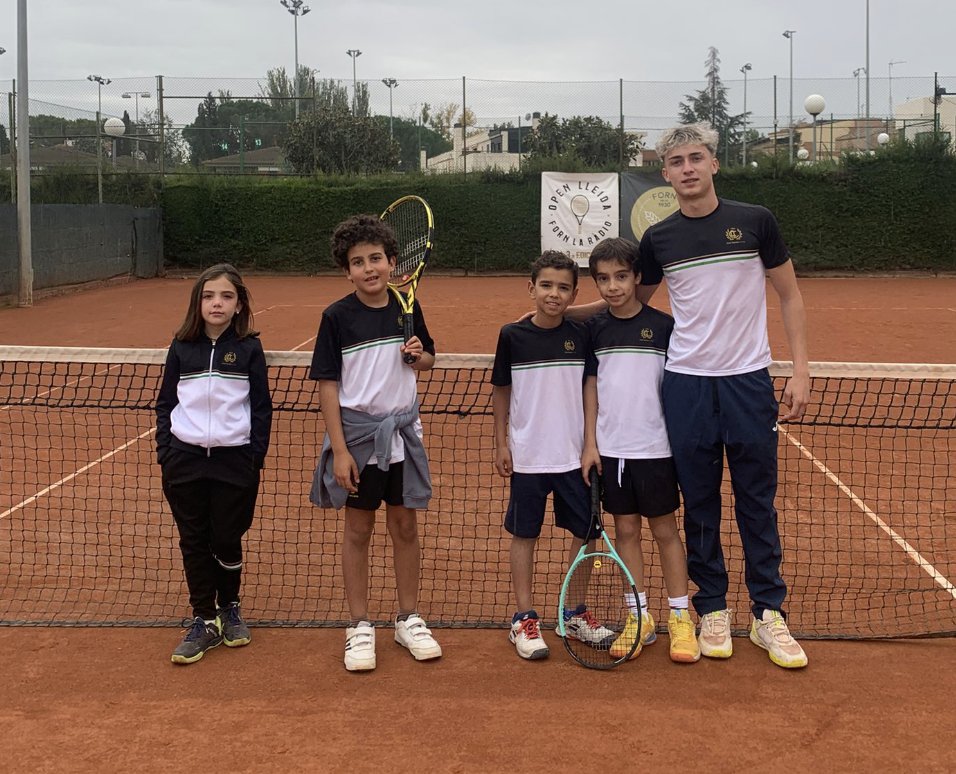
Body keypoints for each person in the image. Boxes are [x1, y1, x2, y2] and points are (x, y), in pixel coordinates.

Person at [572, 123, 810, 669]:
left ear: (714, 164)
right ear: (665, 173)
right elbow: (627, 304)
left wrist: (799, 372)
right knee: (700, 501)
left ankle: (769, 613)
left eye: (695, 158)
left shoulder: (755, 222)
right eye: (676, 161)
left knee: (756, 498)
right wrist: (556, 314)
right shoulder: (659, 239)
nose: (687, 168)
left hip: (749, 380)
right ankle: (713, 608)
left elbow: (791, 296)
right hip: (685, 384)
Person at [310, 213, 442, 672]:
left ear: (392, 262)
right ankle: (360, 625)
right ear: (346, 271)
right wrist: (340, 450)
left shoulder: (408, 307)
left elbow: (427, 361)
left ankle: (408, 618)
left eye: (376, 259)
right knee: (358, 530)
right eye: (358, 262)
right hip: (360, 440)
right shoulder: (336, 317)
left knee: (405, 527)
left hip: (405, 436)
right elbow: (328, 385)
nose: (369, 268)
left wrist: (418, 355)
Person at [579, 237, 699, 664]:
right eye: (603, 279)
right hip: (612, 452)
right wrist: (591, 443)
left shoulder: (665, 327)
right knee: (626, 532)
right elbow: (590, 388)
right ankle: (639, 616)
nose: (612, 286)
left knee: (665, 532)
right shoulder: (594, 329)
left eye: (621, 277)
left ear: (637, 278)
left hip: (656, 450)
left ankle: (681, 617)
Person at [492, 251, 614, 660]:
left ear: (574, 292)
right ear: (531, 288)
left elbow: (589, 389)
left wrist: (590, 444)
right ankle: (524, 618)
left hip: (574, 458)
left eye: (563, 287)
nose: (554, 294)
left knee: (587, 536)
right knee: (524, 535)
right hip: (527, 458)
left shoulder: (582, 335)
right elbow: (501, 391)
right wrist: (501, 442)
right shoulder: (512, 335)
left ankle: (574, 613)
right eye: (546, 285)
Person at [156, 264, 273, 665]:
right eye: (209, 296)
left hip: (234, 461)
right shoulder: (181, 346)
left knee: (226, 538)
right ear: (198, 302)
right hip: (184, 461)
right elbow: (165, 404)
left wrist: (254, 457)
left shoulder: (248, 348)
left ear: (238, 304)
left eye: (225, 296)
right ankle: (204, 618)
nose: (216, 303)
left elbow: (261, 408)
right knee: (193, 540)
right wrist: (166, 452)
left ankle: (230, 607)